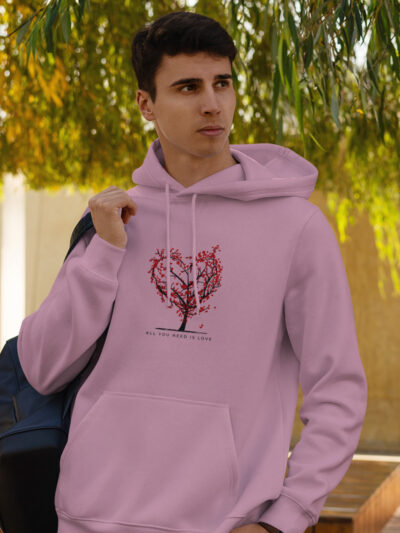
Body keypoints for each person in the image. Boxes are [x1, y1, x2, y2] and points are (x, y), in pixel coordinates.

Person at [17, 10, 368, 533]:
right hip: (89, 516)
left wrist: (285, 518)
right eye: (187, 87)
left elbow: (337, 389)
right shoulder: (114, 220)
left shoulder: (296, 227)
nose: (212, 103)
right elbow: (42, 366)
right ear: (146, 104)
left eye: (222, 83)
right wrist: (105, 253)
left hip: (225, 523)